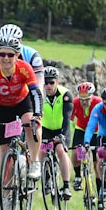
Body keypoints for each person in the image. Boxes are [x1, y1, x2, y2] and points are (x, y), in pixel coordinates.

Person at [0, 36, 43, 178]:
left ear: (17, 55)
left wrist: (37, 114)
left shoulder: (24, 68)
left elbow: (36, 92)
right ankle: (5, 194)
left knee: (30, 123)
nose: (6, 58)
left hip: (22, 102)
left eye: (10, 55)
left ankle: (34, 162)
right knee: (4, 148)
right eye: (2, 54)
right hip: (1, 106)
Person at [39, 66, 74, 199]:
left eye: (51, 82)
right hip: (46, 129)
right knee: (42, 151)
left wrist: (62, 136)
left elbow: (67, 118)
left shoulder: (66, 95)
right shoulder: (39, 94)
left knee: (60, 150)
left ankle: (66, 186)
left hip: (61, 129)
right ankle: (47, 177)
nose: (48, 85)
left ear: (57, 82)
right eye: (45, 82)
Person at [70, 81, 101, 192]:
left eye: (87, 99)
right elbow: (69, 120)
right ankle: (78, 176)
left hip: (97, 132)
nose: (84, 102)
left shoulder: (99, 103)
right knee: (75, 153)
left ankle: (100, 191)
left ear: (92, 97)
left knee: (97, 163)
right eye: (81, 99)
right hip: (81, 130)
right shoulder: (75, 103)